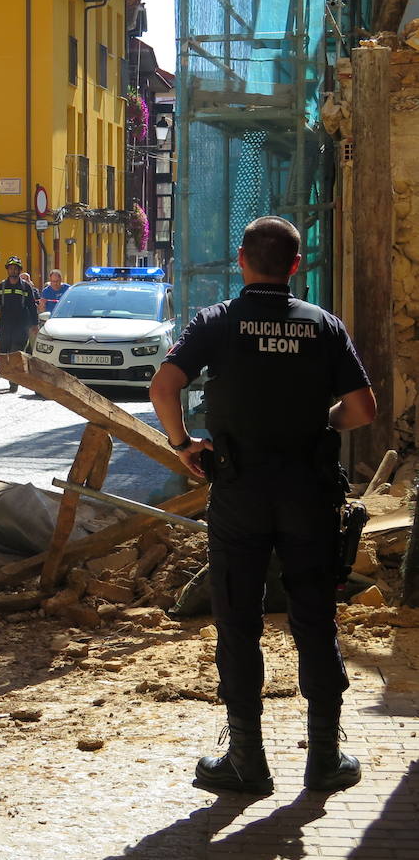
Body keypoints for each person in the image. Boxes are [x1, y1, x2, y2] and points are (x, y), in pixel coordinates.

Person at [149, 216, 376, 796]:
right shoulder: (323, 326)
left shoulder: (218, 322)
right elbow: (363, 408)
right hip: (308, 491)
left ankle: (247, 759)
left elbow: (163, 385)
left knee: (238, 622)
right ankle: (324, 757)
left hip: (239, 492)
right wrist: (318, 422)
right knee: (314, 620)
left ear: (242, 259)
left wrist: (183, 446)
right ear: (296, 266)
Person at [0, 256, 40, 393]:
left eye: (16, 268)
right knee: (5, 352)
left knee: (16, 352)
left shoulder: (26, 287)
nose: (13, 270)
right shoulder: (2, 286)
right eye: (11, 268)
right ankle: (10, 376)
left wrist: (34, 324)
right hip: (6, 324)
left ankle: (14, 381)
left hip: (21, 325)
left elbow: (31, 306)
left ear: (19, 270)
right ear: (8, 270)